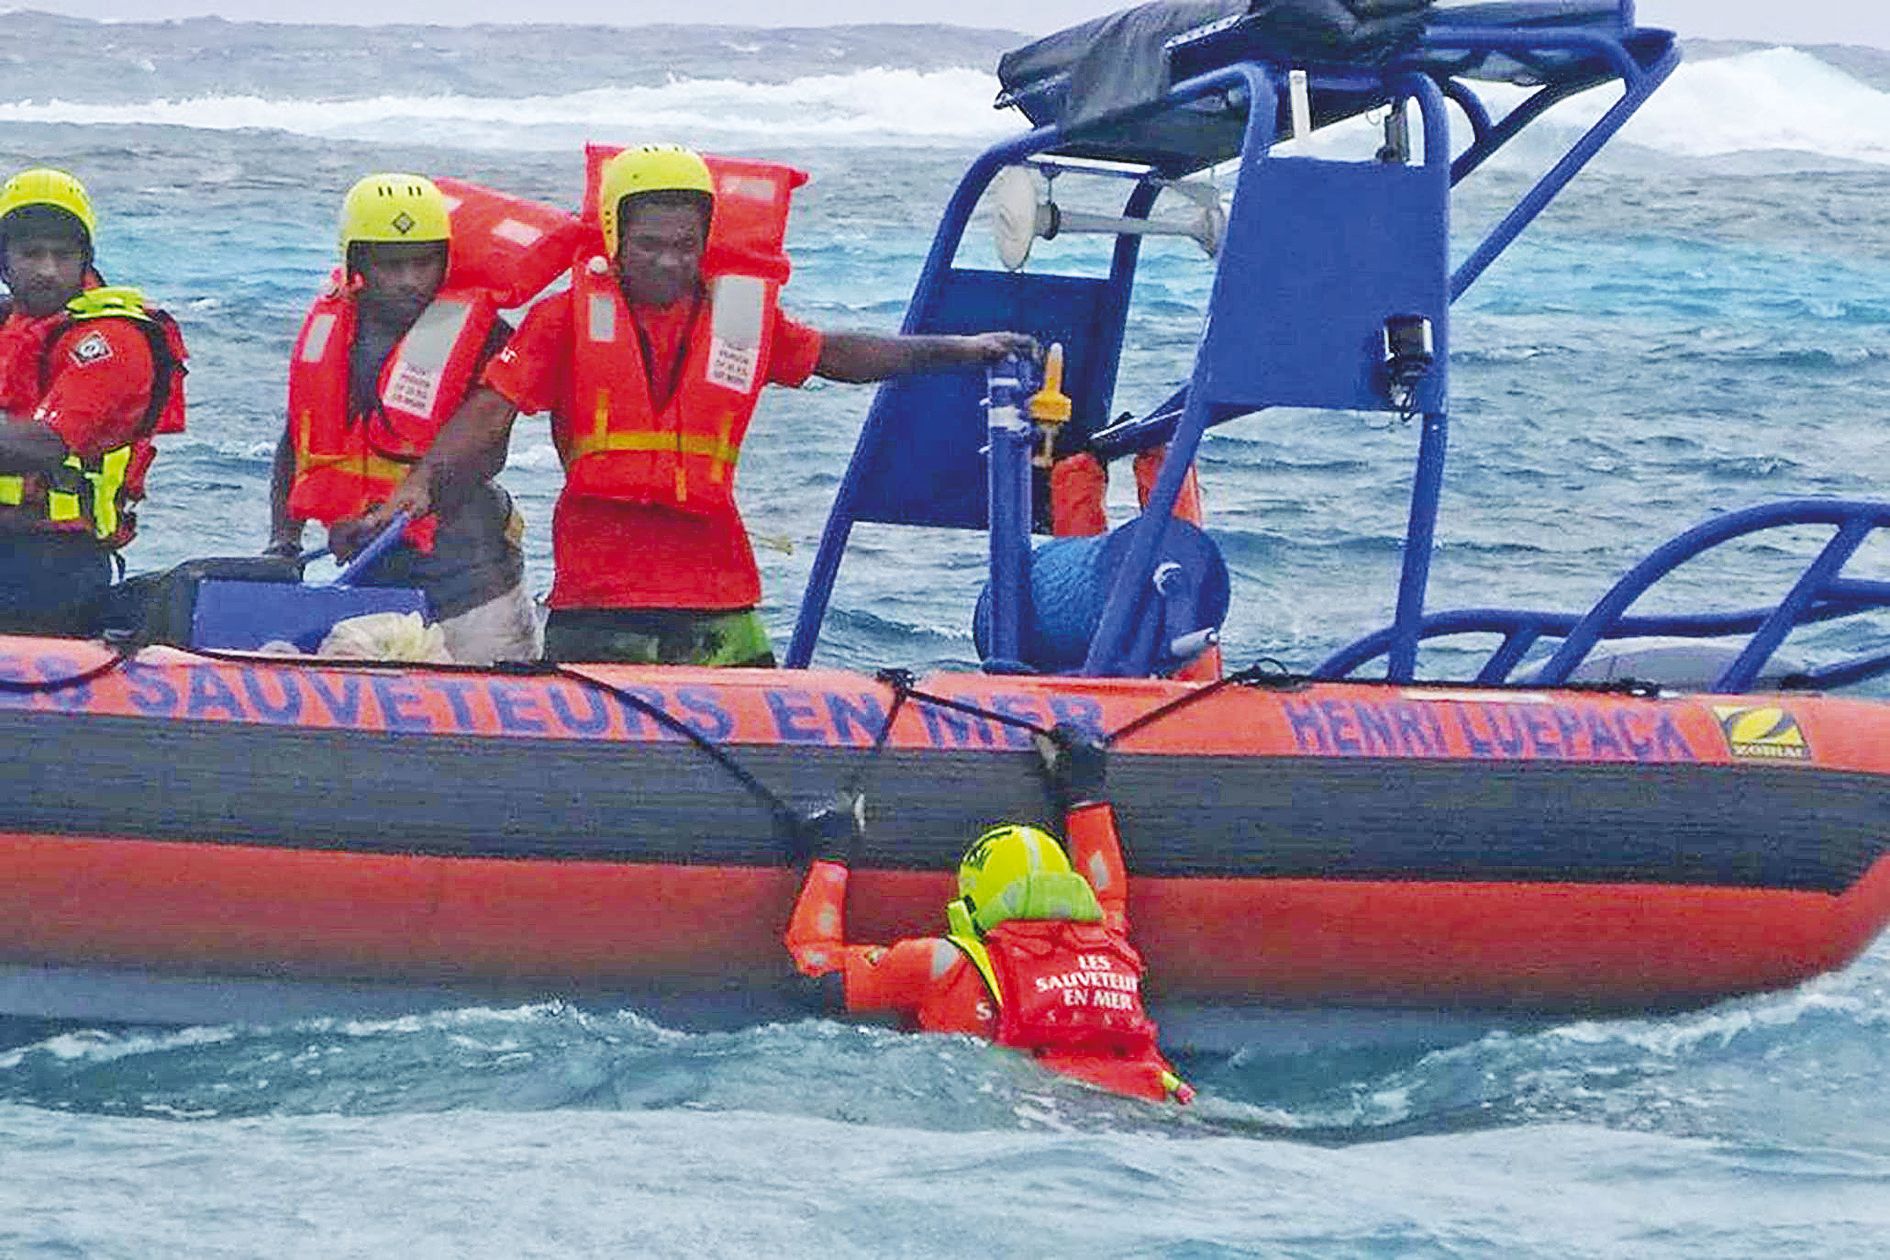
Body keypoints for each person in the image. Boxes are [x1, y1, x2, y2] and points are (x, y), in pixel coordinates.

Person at [359, 144, 1036, 666]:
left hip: (717, 588)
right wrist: (420, 483)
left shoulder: (740, 321)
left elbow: (840, 356)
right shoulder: (564, 318)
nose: (668, 261)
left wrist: (958, 347)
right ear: (613, 234)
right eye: (649, 244)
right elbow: (489, 412)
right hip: (600, 592)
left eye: (685, 246)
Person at [785, 727, 1194, 1104]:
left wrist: (830, 859)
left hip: (1035, 1108)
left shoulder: (946, 965)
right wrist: (1086, 793)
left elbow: (816, 976)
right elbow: (1107, 891)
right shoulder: (1110, 945)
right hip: (1154, 1103)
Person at [267, 172, 540, 665]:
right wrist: (284, 541)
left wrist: (403, 502)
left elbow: (488, 449)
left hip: (469, 582)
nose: (411, 280)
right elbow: (296, 440)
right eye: (391, 266)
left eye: (424, 262)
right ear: (357, 263)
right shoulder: (329, 334)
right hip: (370, 582)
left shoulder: (484, 337)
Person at [0, 167, 187, 637]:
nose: (47, 270)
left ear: (85, 258)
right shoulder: (12, 326)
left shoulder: (111, 339)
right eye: (31, 254)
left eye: (63, 255)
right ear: (5, 262)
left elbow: (45, 444)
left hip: (53, 566)